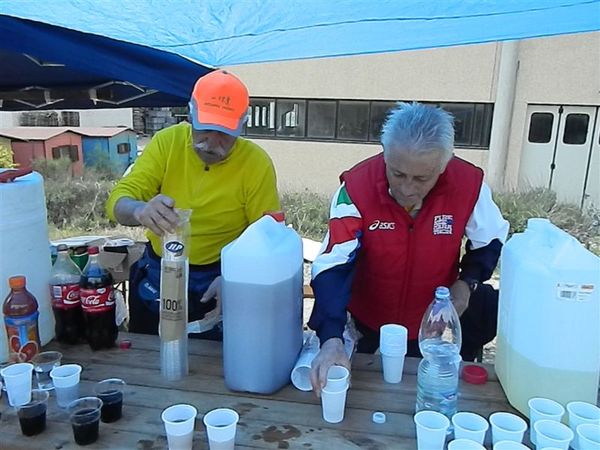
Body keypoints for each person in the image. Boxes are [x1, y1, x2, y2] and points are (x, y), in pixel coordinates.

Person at [308, 102, 509, 394]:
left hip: (432, 323)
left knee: (416, 395)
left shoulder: (469, 186)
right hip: (366, 316)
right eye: (397, 174)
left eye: (421, 178)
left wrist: (467, 283)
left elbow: (489, 241)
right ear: (385, 155)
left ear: (443, 166)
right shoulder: (355, 187)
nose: (406, 188)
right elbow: (333, 265)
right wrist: (331, 338)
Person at [106, 70, 280, 337]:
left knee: (214, 368)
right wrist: (141, 210)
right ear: (190, 115)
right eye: (206, 129)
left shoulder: (256, 163)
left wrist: (238, 277)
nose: (212, 142)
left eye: (225, 133)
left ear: (241, 126)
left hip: (220, 277)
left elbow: (269, 236)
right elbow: (118, 202)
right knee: (148, 357)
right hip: (162, 269)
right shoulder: (167, 142)